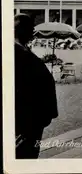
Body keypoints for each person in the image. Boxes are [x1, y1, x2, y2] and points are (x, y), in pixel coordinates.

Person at [14, 14, 58, 159]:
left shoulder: (24, 51)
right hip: (26, 117)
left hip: (35, 116)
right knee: (25, 154)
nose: (32, 33)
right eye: (30, 28)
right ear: (18, 30)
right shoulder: (15, 53)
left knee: (32, 152)